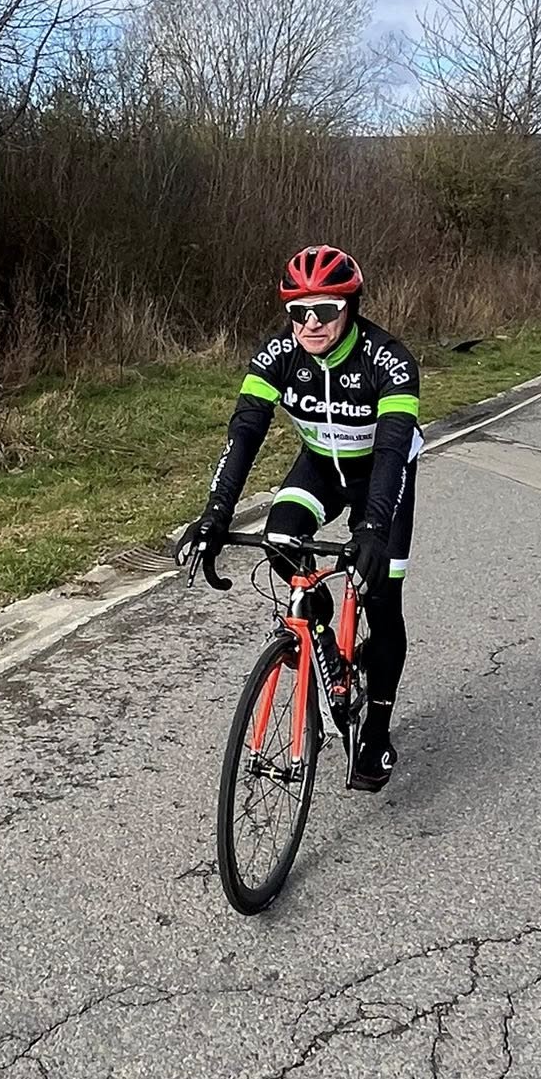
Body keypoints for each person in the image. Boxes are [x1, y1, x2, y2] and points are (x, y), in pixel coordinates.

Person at [176, 244, 421, 791]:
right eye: (298, 311)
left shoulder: (388, 359)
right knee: (280, 536)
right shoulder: (277, 355)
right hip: (320, 468)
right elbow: (245, 432)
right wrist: (215, 514)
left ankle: (377, 731)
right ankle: (321, 635)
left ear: (350, 308)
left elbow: (392, 449)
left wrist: (372, 530)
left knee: (382, 594)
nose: (311, 323)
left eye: (325, 310)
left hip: (382, 477)